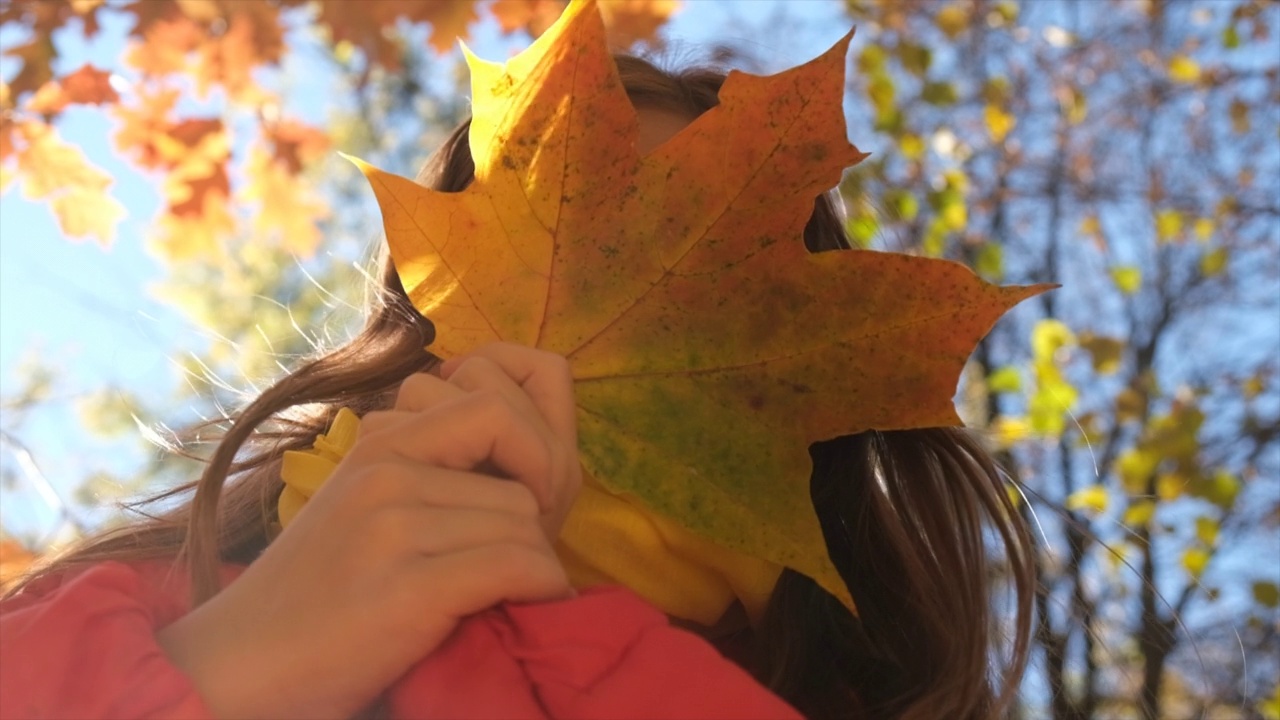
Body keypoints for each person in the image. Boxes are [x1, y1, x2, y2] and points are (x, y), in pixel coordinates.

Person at [0, 55, 1033, 720]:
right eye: (552, 264)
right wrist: (225, 668)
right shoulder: (121, 611)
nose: (563, 354)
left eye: (670, 289)